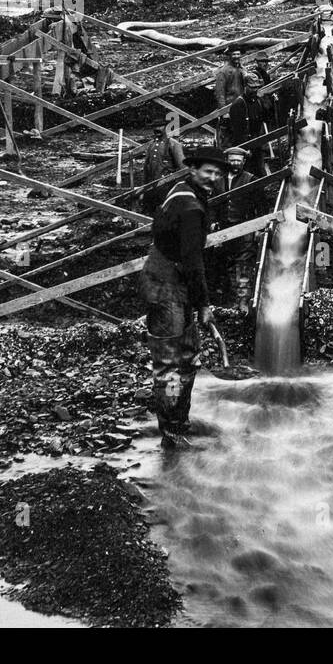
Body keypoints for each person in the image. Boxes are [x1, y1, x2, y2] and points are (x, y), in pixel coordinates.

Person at [136, 145, 226, 448]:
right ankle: (171, 432)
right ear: (193, 169)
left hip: (169, 278)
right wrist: (204, 305)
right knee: (170, 363)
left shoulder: (180, 190)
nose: (213, 177)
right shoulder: (191, 209)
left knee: (187, 357)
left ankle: (178, 421)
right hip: (166, 286)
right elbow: (192, 261)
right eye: (207, 171)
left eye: (217, 173)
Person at [212, 146, 261, 311]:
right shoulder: (218, 181)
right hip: (224, 230)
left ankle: (242, 302)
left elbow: (261, 206)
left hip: (245, 228)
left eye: (238, 161)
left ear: (244, 162)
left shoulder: (251, 179)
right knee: (226, 263)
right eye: (232, 160)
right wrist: (213, 222)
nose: (235, 164)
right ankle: (229, 302)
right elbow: (212, 204)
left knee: (244, 264)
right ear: (227, 161)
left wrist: (258, 229)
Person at [140, 113, 186, 214]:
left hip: (167, 187)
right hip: (151, 188)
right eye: (155, 127)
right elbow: (146, 170)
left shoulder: (173, 144)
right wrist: (143, 190)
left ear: (165, 127)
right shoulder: (151, 145)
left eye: (160, 126)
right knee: (148, 213)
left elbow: (183, 170)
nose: (157, 129)